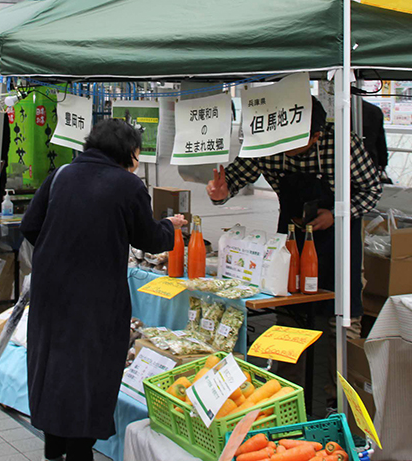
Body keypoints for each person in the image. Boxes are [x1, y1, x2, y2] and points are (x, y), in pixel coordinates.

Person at [22, 119, 186, 460]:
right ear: (128, 152)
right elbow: (149, 239)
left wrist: (61, 252)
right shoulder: (128, 185)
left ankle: (53, 449)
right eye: (138, 153)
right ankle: (80, 452)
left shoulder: (62, 175)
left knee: (51, 365)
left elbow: (30, 225)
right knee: (90, 371)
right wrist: (170, 227)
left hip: (51, 290)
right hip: (96, 297)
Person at [207, 97, 383, 317]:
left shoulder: (342, 143)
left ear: (316, 136)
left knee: (341, 301)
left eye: (294, 141)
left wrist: (336, 215)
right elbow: (232, 179)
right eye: (282, 139)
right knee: (288, 298)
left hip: (339, 235)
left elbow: (372, 189)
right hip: (292, 234)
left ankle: (340, 347)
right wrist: (220, 193)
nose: (284, 145)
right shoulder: (266, 142)